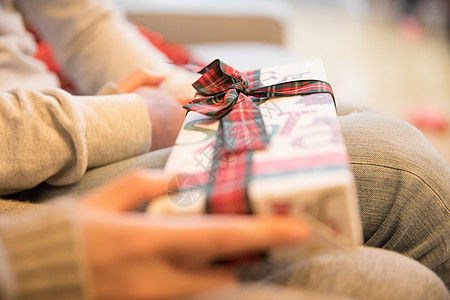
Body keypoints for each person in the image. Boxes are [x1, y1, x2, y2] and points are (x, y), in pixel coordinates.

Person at [0, 0, 448, 299]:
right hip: (19, 193)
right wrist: (141, 117)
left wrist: (179, 88)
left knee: (375, 133)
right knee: (404, 209)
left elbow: (84, 26)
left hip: (61, 127)